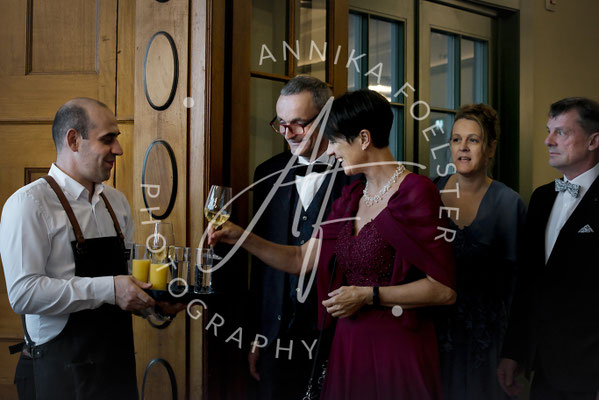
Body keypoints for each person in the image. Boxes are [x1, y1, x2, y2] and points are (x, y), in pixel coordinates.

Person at [211, 89, 456, 400]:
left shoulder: (417, 192)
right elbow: (301, 259)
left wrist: (369, 295)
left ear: (364, 138)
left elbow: (444, 290)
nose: (329, 151)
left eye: (335, 141)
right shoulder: (350, 198)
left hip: (397, 348)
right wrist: (239, 237)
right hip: (348, 345)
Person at [0, 98, 157, 399]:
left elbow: (125, 286)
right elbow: (23, 294)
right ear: (73, 140)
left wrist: (154, 305)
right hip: (59, 375)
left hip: (116, 369)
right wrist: (110, 289)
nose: (118, 150)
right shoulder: (28, 204)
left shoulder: (117, 203)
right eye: (107, 139)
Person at [249, 75, 353, 400]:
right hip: (275, 337)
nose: (287, 133)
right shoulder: (265, 175)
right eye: (280, 124)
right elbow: (261, 267)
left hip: (338, 336)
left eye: (298, 124)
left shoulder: (355, 177)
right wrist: (256, 332)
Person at [497, 97, 599, 400]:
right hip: (543, 368)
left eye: (561, 132)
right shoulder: (541, 198)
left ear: (593, 141)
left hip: (590, 370)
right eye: (548, 131)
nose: (548, 140)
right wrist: (513, 352)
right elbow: (528, 283)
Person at [434, 104, 526, 400]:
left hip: (486, 342)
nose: (463, 147)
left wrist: (513, 352)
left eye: (473, 140)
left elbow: (519, 286)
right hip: (433, 334)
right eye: (456, 139)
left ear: (490, 148)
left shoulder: (509, 204)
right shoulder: (428, 192)